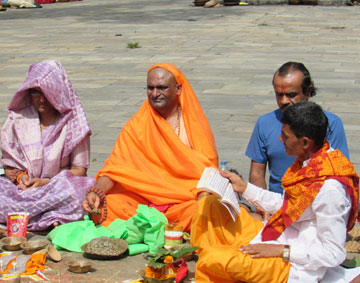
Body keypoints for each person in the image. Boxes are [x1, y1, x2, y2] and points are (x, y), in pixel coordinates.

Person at [191, 101, 359, 283]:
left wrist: (282, 251)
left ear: (305, 142)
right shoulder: (310, 164)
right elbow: (289, 206)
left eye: (285, 136)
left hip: (294, 266)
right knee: (210, 206)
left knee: (212, 258)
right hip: (275, 235)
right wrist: (244, 188)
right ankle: (226, 263)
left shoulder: (330, 190)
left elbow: (333, 254)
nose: (280, 140)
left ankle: (221, 262)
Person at [82, 63, 218, 231]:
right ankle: (163, 227)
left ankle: (153, 226)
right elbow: (115, 170)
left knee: (205, 210)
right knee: (106, 206)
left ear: (178, 89)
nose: (155, 94)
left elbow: (208, 171)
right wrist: (96, 192)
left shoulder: (193, 124)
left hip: (182, 202)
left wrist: (204, 199)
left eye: (161, 88)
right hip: (143, 202)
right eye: (150, 88)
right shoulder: (137, 125)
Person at [0, 60, 95, 231]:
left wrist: (45, 182)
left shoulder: (74, 123)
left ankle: (28, 217)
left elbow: (79, 170)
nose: (42, 100)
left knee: (78, 193)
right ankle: (47, 218)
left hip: (54, 188)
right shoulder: (17, 120)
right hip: (22, 190)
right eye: (36, 93)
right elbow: (8, 166)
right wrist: (20, 177)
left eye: (47, 93)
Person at [246, 62, 349, 194]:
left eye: (291, 95)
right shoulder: (264, 123)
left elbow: (339, 173)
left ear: (308, 92)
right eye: (279, 94)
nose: (283, 101)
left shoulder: (330, 123)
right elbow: (257, 174)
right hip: (275, 204)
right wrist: (262, 208)